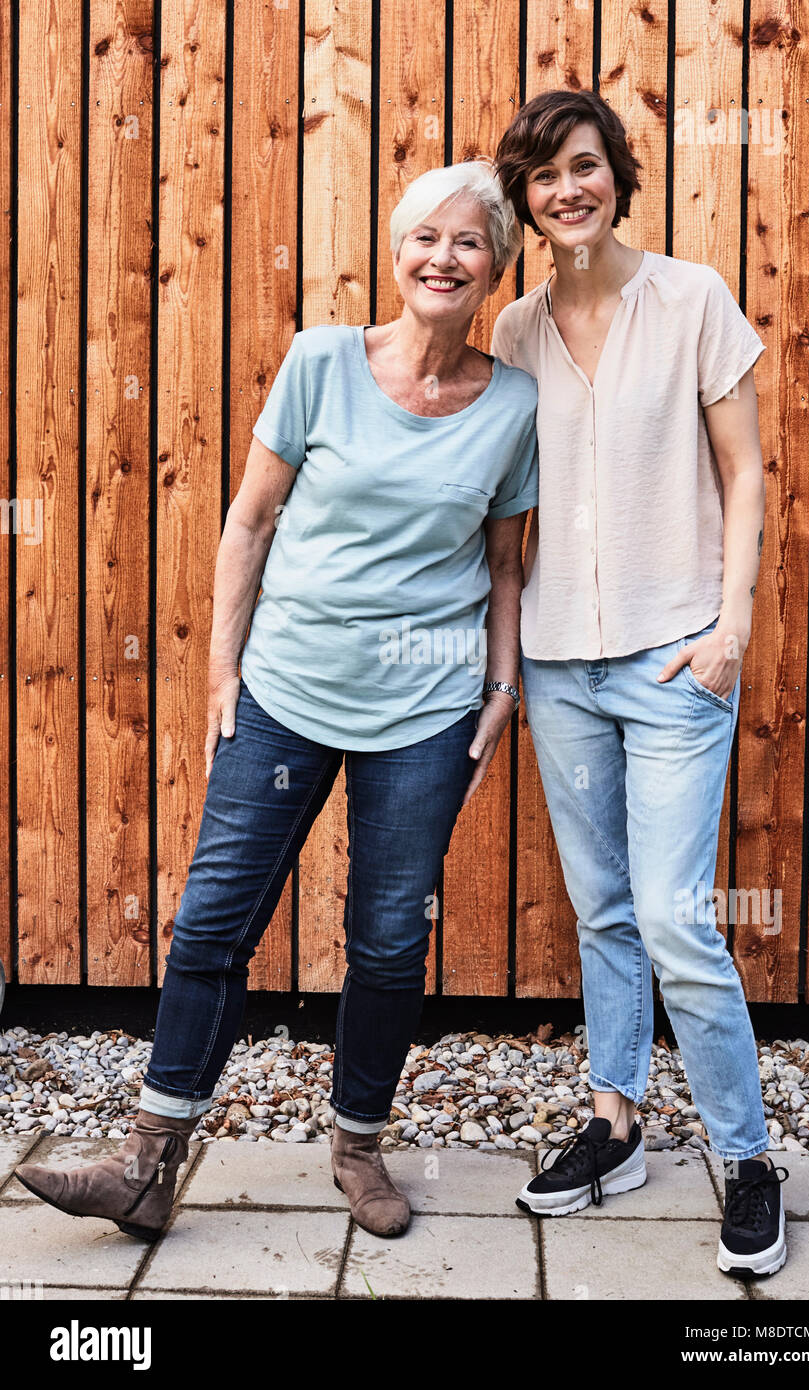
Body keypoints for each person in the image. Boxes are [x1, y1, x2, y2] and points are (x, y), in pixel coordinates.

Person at [14, 159, 538, 1244]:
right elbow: (249, 522)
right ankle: (148, 1162)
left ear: (496, 263)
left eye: (468, 241)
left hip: (427, 710)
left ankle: (356, 1145)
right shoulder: (319, 362)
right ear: (395, 255)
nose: (442, 257)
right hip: (288, 690)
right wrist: (221, 675)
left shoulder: (512, 404)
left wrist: (499, 689)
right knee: (213, 921)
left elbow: (503, 567)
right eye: (423, 238)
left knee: (389, 940)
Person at [491, 89, 789, 1278]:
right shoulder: (511, 332)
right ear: (522, 202)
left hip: (675, 653)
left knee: (671, 915)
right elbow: (502, 511)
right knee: (602, 907)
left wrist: (732, 627)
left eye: (582, 166)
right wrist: (504, 660)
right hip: (560, 661)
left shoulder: (692, 299)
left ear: (616, 170)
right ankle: (612, 1125)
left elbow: (746, 469)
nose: (566, 191)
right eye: (542, 178)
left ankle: (748, 1157)